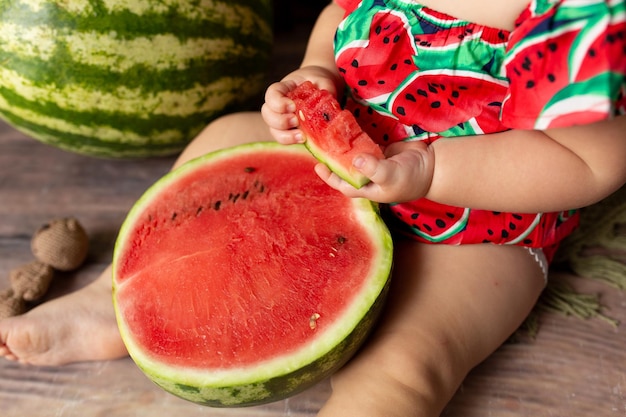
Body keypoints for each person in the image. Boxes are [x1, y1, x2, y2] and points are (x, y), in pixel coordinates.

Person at [1, 0, 625, 416]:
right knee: (222, 137)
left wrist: (435, 169)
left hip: (477, 228)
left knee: (407, 365)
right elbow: (338, 15)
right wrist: (314, 73)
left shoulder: (581, 22)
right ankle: (118, 302)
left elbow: (587, 163)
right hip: (325, 166)